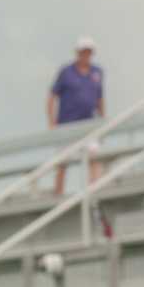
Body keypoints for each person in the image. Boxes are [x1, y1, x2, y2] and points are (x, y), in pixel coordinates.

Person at [49, 36, 107, 196]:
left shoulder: (97, 72)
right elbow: (52, 96)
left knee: (95, 157)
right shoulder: (65, 72)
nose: (86, 55)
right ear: (77, 52)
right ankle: (58, 193)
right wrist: (51, 121)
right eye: (83, 52)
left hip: (89, 124)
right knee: (62, 162)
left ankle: (94, 191)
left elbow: (100, 98)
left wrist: (103, 120)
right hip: (67, 124)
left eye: (89, 52)